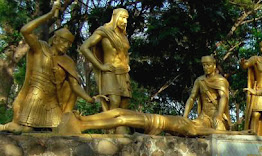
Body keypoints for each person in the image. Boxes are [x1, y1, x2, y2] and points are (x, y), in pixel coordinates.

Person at [0, 1, 103, 133]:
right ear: (54, 39)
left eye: (69, 44)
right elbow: (25, 31)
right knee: (26, 130)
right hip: (35, 97)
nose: (66, 45)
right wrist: (49, 15)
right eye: (63, 41)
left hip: (52, 101)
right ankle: (5, 127)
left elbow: (74, 85)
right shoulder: (40, 48)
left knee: (59, 129)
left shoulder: (68, 61)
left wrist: (90, 98)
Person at [80, 8, 131, 134]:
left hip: (123, 72)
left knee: (124, 104)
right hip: (109, 71)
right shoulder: (104, 31)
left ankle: (119, 130)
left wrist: (127, 64)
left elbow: (125, 53)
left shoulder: (124, 36)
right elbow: (84, 47)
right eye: (122, 17)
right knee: (114, 101)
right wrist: (100, 66)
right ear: (115, 16)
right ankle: (109, 130)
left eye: (126, 18)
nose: (125, 21)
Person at [55, 108, 242, 137]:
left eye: (206, 119)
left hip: (154, 122)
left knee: (121, 119)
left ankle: (83, 126)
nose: (202, 116)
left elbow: (217, 134)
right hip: (152, 117)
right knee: (118, 111)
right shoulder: (188, 121)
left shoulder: (193, 130)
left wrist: (238, 133)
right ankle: (83, 119)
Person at [183, 55, 230, 131]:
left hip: (216, 114)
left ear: (214, 65)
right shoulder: (199, 81)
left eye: (208, 65)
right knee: (191, 127)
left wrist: (219, 115)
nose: (206, 67)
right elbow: (192, 98)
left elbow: (223, 97)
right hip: (204, 116)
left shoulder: (220, 80)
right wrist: (184, 117)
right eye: (204, 65)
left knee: (219, 131)